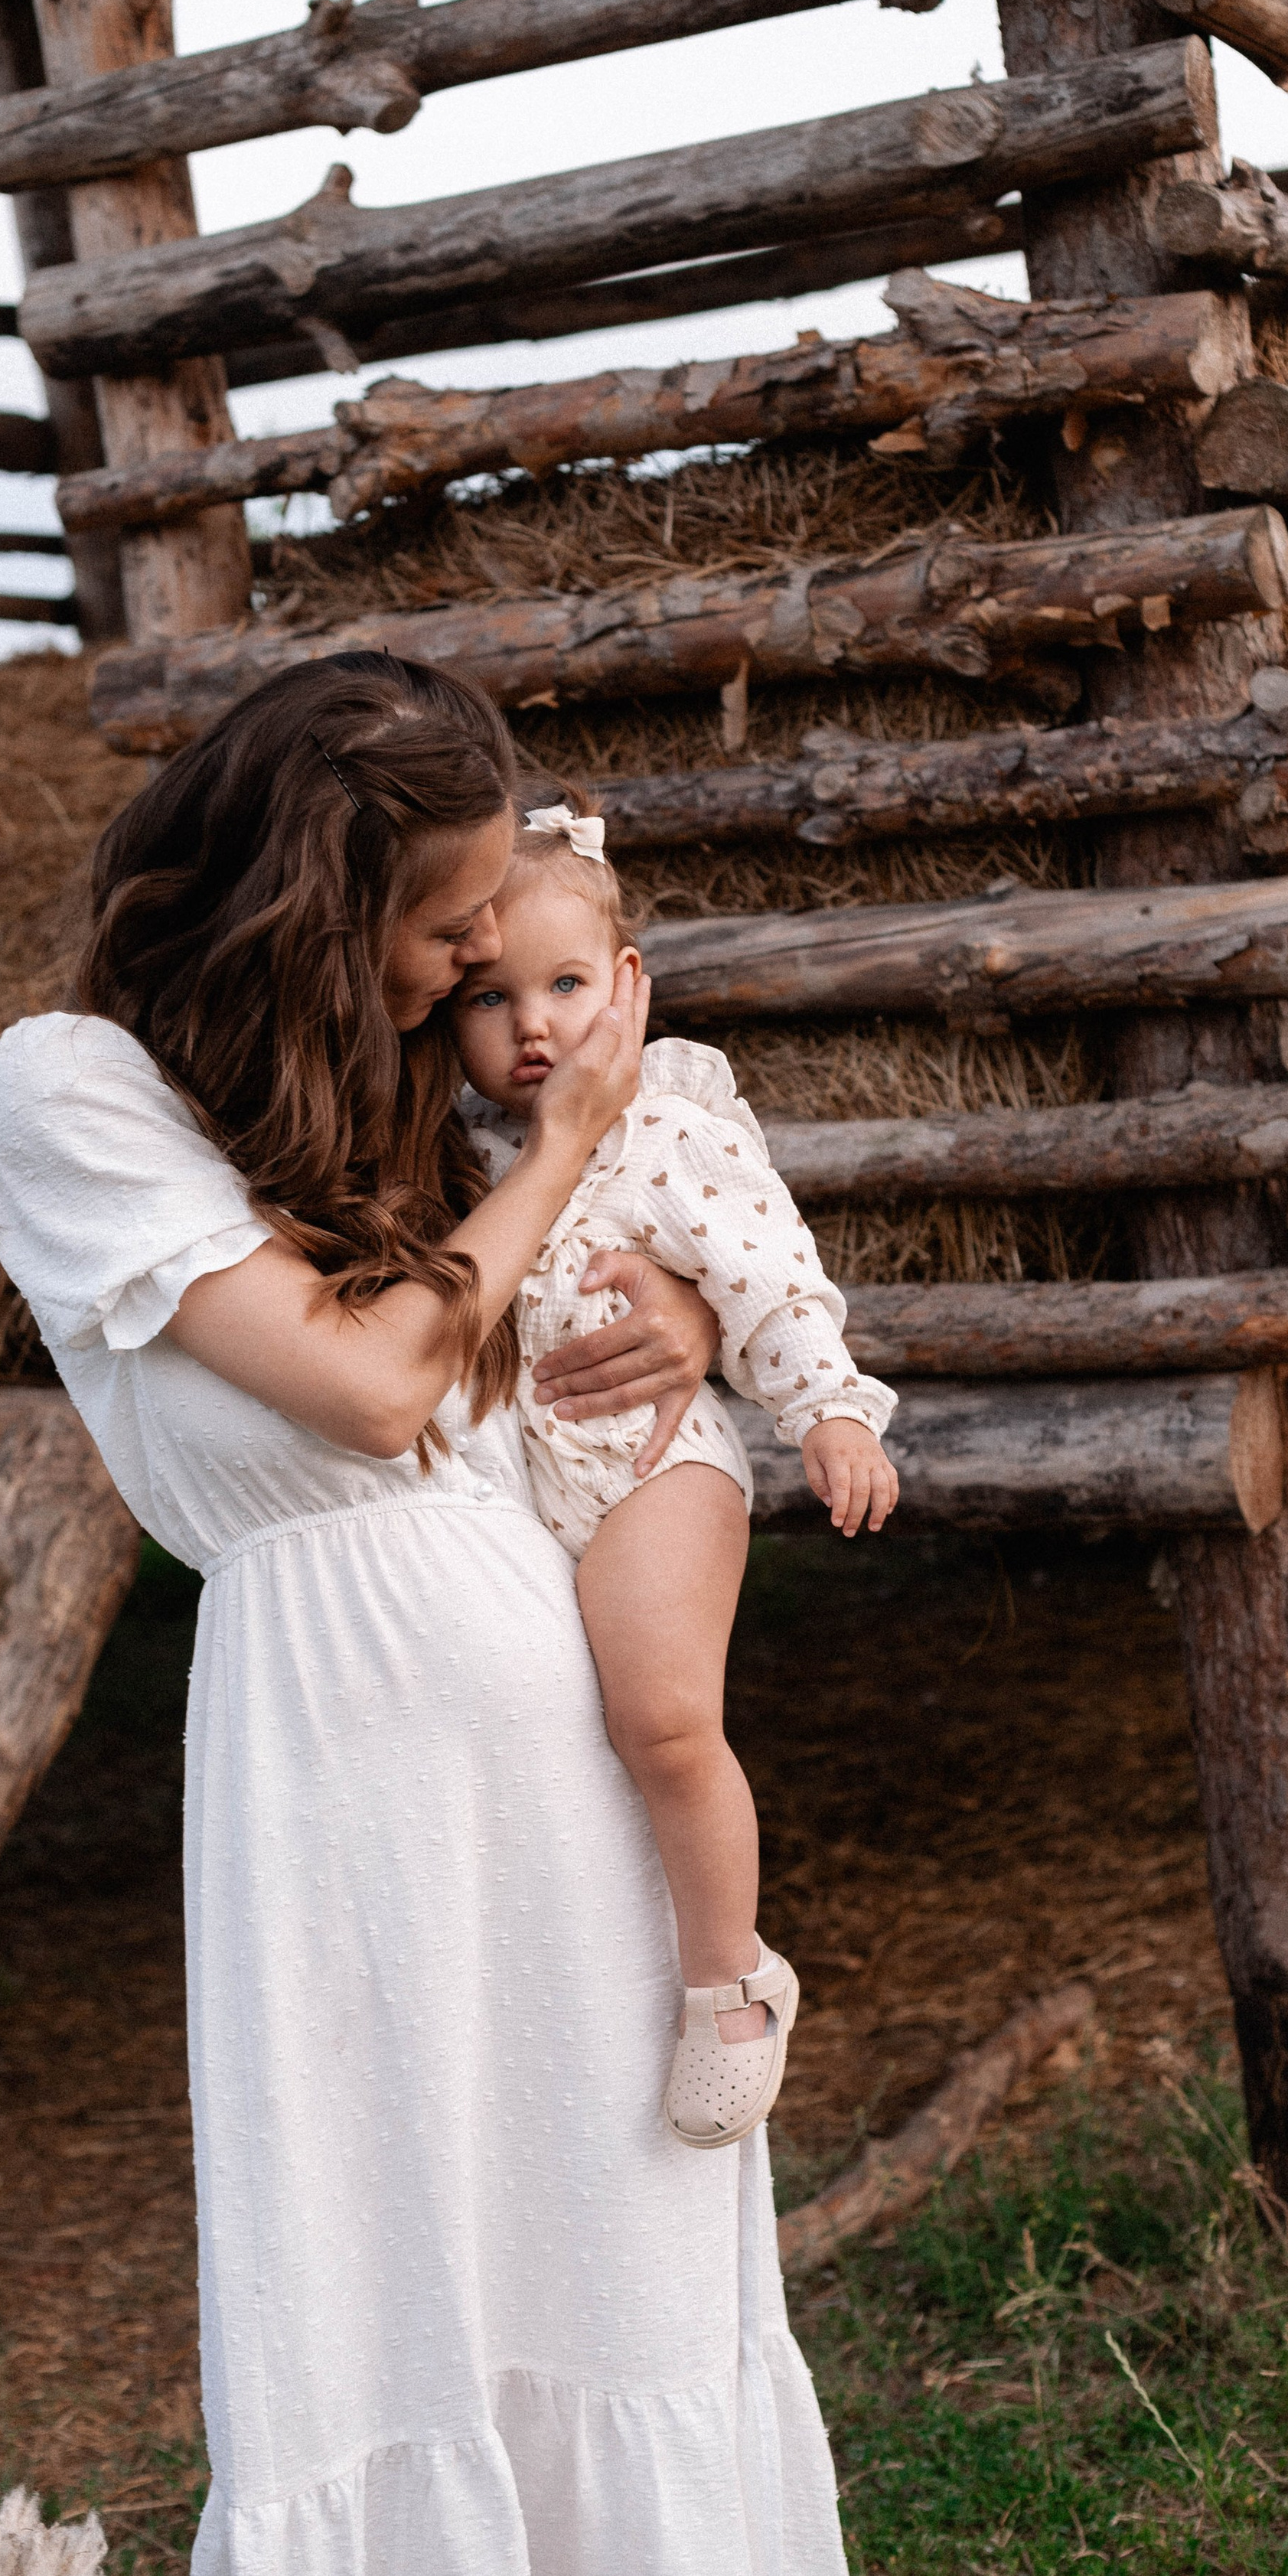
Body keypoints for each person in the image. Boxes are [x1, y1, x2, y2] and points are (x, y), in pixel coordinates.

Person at [0, 651, 851, 2576]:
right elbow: (372, 1392)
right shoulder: (73, 1086)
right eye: (450, 924)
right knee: (391, 2287)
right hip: (340, 1759)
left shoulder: (386, 1091)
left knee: (612, 2272)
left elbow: (516, 1356)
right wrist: (575, 1135)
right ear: (310, 885)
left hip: (557, 1732)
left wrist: (676, 1327)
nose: (481, 961)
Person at [449, 801, 898, 2152]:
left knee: (661, 1721)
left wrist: (827, 1409)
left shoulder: (671, 1130)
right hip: (527, 1489)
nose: (533, 1026)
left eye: (567, 985)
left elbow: (768, 1274)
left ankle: (732, 1981)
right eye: (491, 998)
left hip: (659, 1470)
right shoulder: (462, 1154)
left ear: (629, 988)